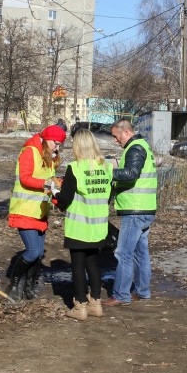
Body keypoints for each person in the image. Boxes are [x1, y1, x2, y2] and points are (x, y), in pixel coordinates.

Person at [52, 129, 113, 320]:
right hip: (99, 225)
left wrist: (54, 192)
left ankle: (80, 306)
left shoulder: (75, 168)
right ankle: (95, 303)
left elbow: (65, 200)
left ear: (78, 146)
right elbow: (109, 195)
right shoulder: (106, 167)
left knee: (78, 265)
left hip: (79, 225)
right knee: (93, 263)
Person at [5, 124, 66, 301]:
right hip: (24, 210)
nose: (57, 147)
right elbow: (25, 178)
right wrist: (48, 184)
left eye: (60, 144)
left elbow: (50, 185)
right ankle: (14, 285)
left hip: (40, 212)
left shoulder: (50, 156)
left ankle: (29, 287)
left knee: (38, 254)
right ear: (47, 139)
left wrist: (60, 200)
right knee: (33, 251)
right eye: (56, 143)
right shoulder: (29, 151)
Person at [102, 119, 157, 307]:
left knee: (123, 253)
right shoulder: (143, 147)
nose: (116, 141)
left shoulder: (135, 148)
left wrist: (108, 172)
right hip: (145, 208)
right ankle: (142, 291)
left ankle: (120, 294)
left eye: (116, 137)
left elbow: (131, 173)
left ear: (125, 132)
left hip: (135, 210)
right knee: (140, 253)